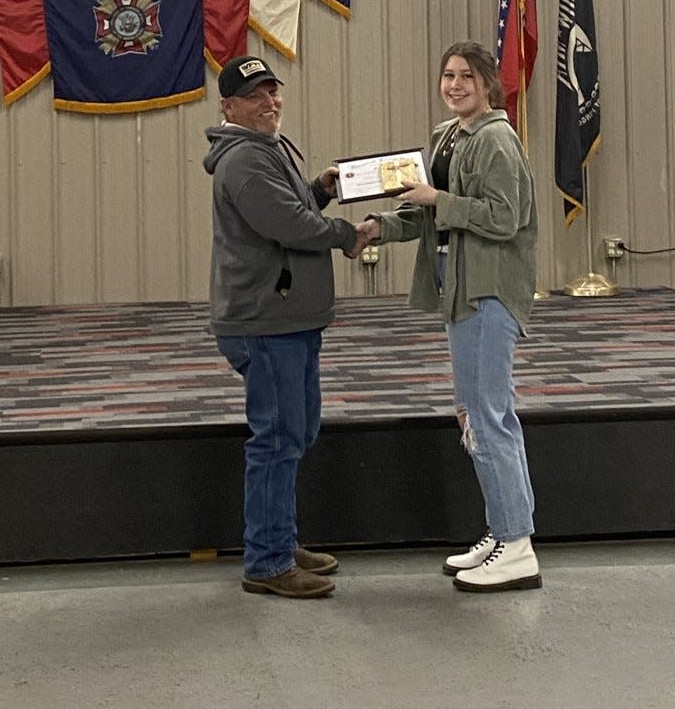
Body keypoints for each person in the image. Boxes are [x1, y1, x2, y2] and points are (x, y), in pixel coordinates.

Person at [356, 40, 541, 592]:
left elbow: (505, 219)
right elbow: (422, 212)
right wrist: (376, 227)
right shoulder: (448, 137)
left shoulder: (496, 141)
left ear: (489, 83)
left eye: (466, 76)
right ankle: (503, 529)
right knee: (474, 416)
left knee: (489, 417)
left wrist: (440, 200)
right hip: (457, 292)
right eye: (447, 75)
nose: (455, 85)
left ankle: (517, 545)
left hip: (489, 293)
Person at [204, 54, 368, 600]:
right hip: (265, 322)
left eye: (273, 91)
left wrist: (318, 188)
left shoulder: (262, 151)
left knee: (294, 433)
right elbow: (285, 224)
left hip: (284, 318)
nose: (270, 101)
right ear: (228, 105)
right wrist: (346, 232)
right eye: (256, 95)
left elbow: (292, 206)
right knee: (276, 438)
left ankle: (278, 538)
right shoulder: (245, 160)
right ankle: (268, 561)